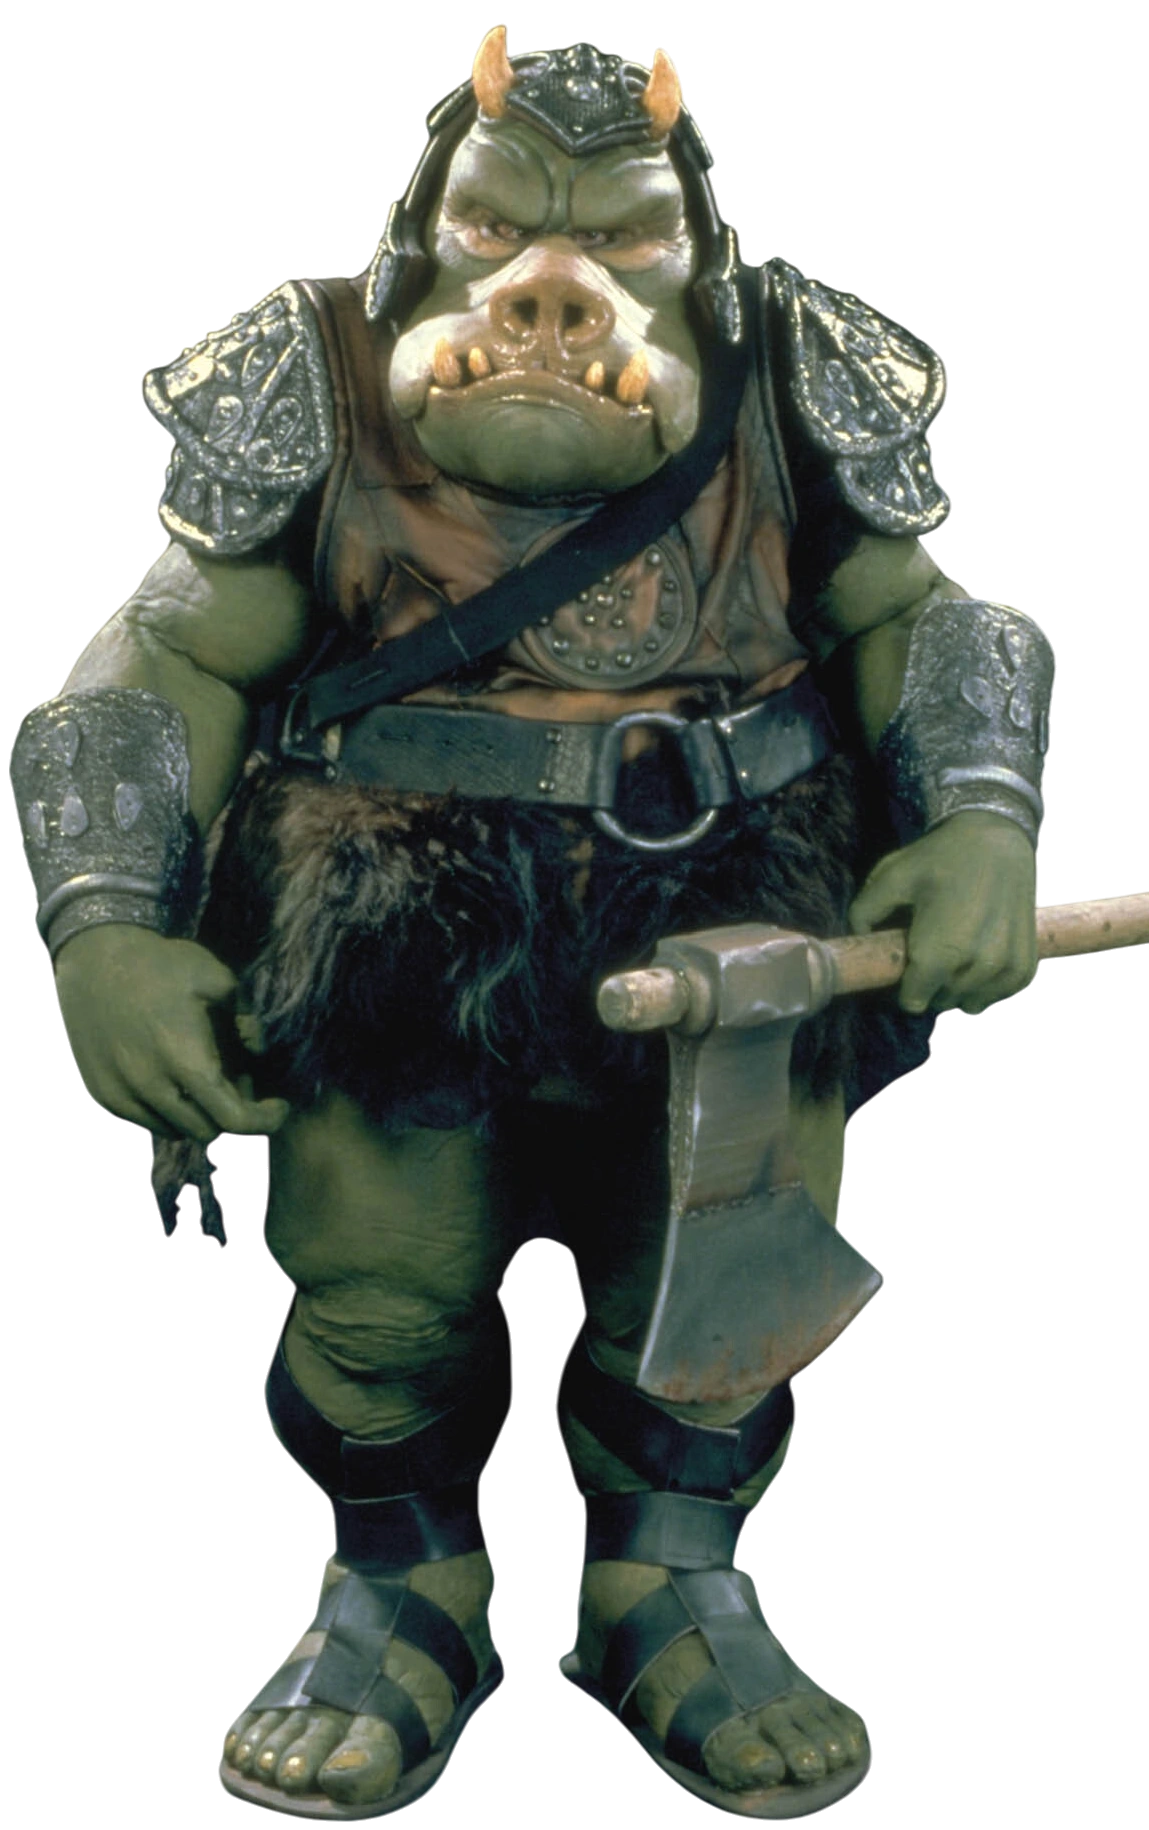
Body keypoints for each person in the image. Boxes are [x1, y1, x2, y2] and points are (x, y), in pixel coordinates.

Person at [10, 29, 1052, 1821]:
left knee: (725, 1287)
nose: (551, 289)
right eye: (494, 229)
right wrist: (102, 920)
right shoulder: (318, 374)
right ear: (417, 245)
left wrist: (980, 816)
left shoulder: (790, 371)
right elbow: (157, 660)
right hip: (390, 920)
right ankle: (402, 1591)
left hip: (738, 917)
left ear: (699, 269)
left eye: (622, 241)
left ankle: (669, 1589)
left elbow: (927, 617)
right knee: (381, 1283)